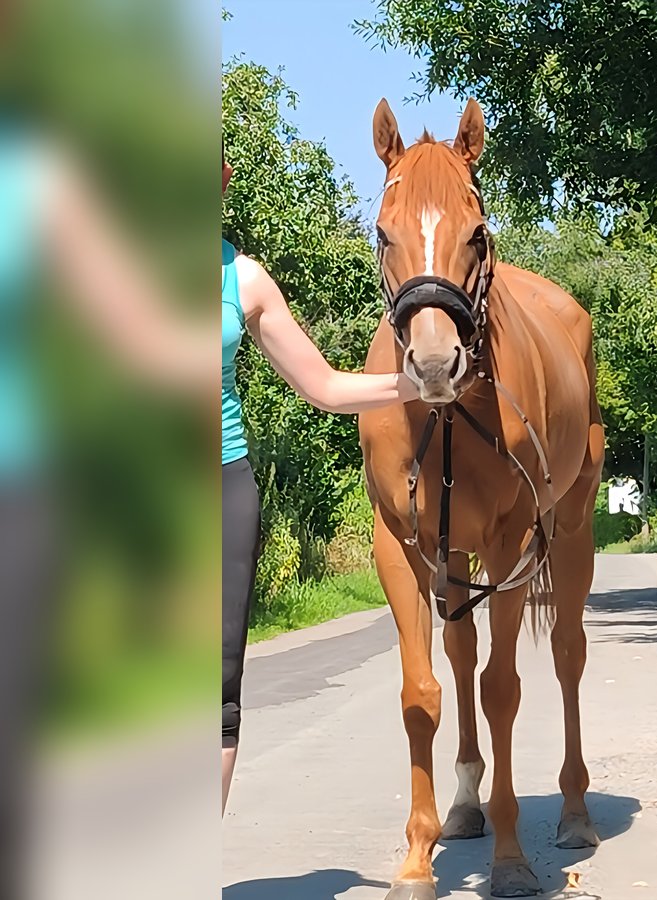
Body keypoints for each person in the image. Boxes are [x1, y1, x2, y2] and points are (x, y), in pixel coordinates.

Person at [221, 149, 419, 813]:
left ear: (221, 179)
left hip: (221, 490)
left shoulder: (243, 280)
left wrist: (416, 384)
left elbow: (326, 386)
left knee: (213, 694)